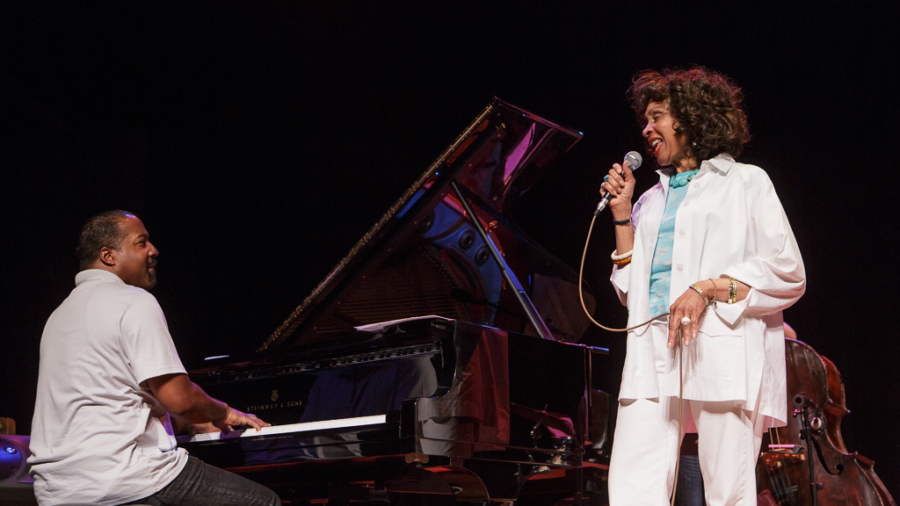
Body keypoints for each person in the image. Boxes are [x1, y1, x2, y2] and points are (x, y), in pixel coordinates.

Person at [601, 67, 806, 505]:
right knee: (631, 490)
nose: (646, 128)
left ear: (690, 118)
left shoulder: (746, 183)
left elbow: (788, 272)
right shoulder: (648, 201)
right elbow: (629, 291)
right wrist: (622, 216)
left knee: (727, 492)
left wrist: (709, 287)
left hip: (720, 350)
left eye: (656, 116)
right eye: (645, 118)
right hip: (650, 352)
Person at [28, 210, 281, 506]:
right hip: (125, 479)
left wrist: (187, 422)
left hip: (58, 489)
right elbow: (181, 399)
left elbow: (106, 394)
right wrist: (224, 413)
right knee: (263, 501)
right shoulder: (133, 301)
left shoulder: (59, 316)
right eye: (141, 243)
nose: (153, 250)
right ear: (108, 256)